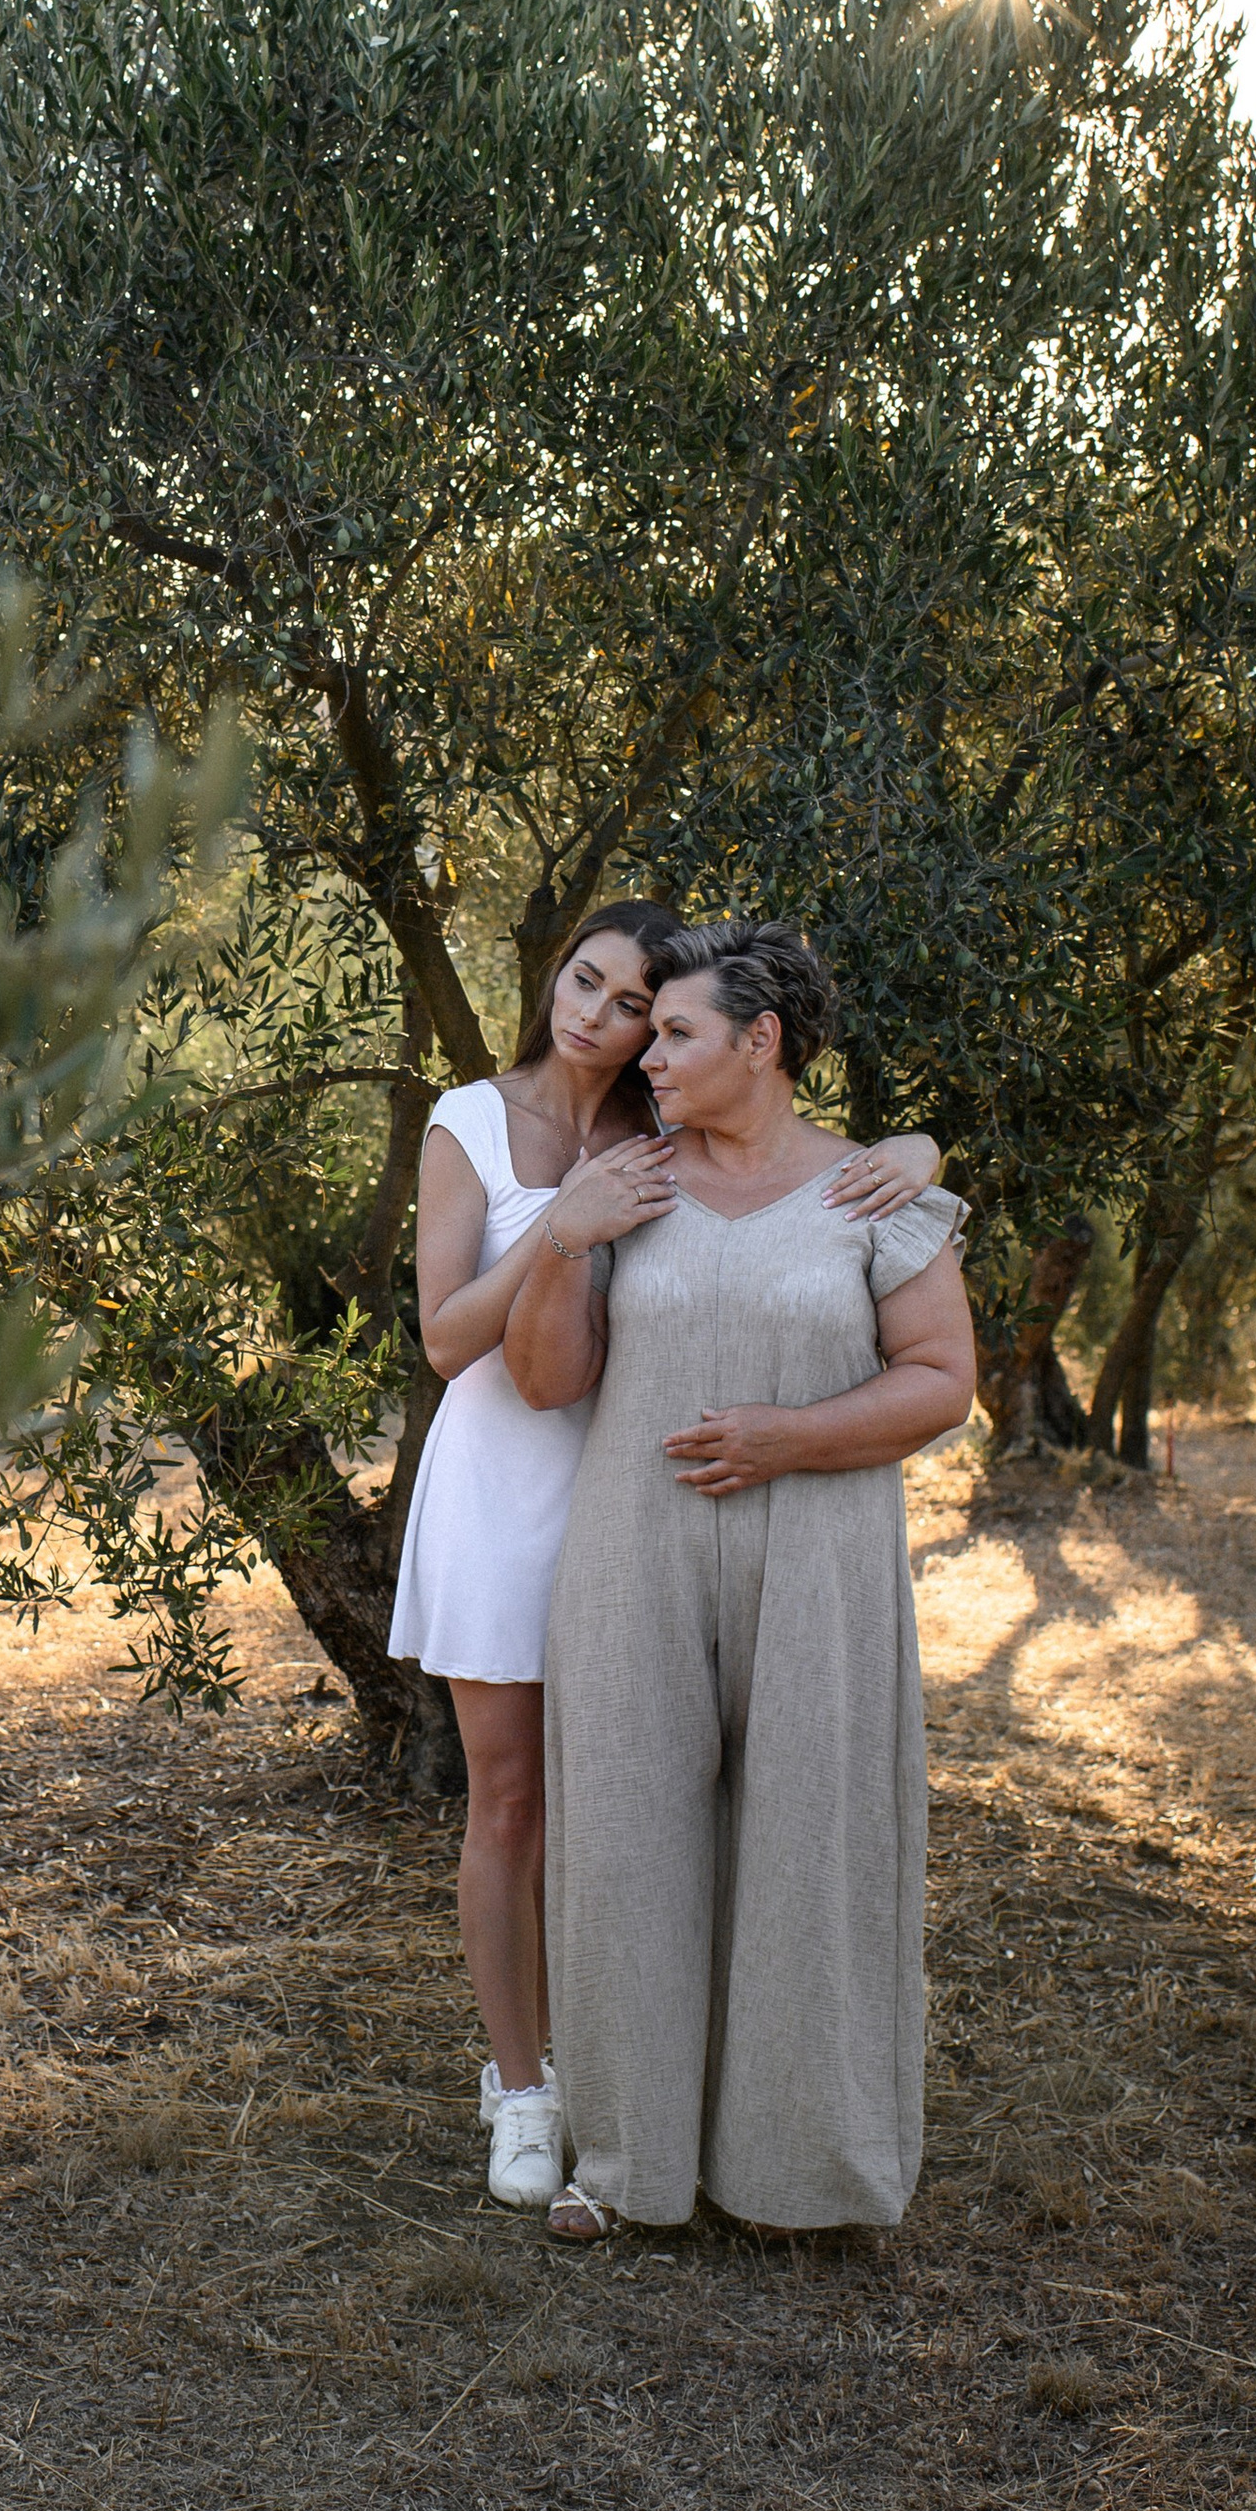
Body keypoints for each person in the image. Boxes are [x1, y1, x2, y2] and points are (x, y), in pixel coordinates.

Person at [390, 903, 942, 2213]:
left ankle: (706, 2101)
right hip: (515, 1480)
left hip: (636, 1478)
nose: (604, 1020)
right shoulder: (472, 1121)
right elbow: (448, 1342)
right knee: (518, 1800)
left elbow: (803, 1162)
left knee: (647, 1799)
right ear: (554, 979)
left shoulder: (662, 1124)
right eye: (585, 984)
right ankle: (527, 2093)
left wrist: (917, 1146)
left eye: (638, 1006)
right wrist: (563, 1226)